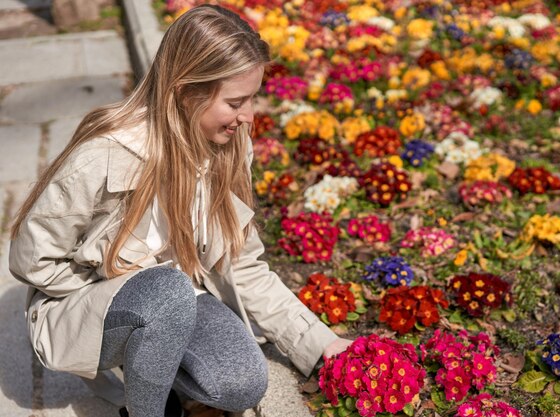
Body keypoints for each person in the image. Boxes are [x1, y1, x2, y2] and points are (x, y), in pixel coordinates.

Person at [8, 4, 352, 417]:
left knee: (241, 383)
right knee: (163, 290)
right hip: (88, 308)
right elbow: (33, 261)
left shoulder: (229, 147)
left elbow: (241, 263)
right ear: (186, 92)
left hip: (179, 301)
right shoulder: (101, 158)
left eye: (253, 98)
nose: (249, 116)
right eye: (236, 101)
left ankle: (153, 364)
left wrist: (320, 343)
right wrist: (116, 288)